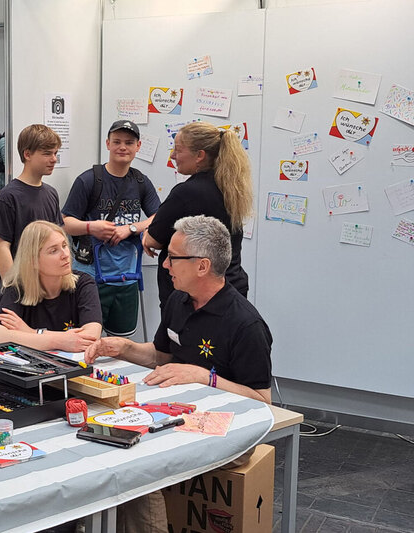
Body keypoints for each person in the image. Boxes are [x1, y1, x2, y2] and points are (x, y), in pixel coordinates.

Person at [85, 215, 272, 533]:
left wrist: (205, 377)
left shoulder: (246, 325)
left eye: (172, 257)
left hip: (230, 432)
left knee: (139, 466)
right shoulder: (179, 300)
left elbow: (262, 400)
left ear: (202, 266)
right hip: (177, 413)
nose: (165, 265)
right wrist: (124, 348)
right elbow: (163, 356)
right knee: (112, 439)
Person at [62, 120, 160, 336]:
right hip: (89, 277)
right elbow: (65, 223)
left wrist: (132, 228)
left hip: (127, 279)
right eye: (117, 142)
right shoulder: (88, 180)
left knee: (120, 344)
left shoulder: (141, 182)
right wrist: (91, 227)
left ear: (138, 146)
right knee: (85, 341)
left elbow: (159, 217)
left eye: (129, 142)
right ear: (107, 144)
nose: (122, 147)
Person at [143, 122, 252, 306]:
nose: (173, 155)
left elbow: (153, 240)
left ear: (200, 155)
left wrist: (146, 233)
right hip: (231, 289)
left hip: (194, 297)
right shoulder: (230, 188)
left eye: (178, 150)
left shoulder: (186, 193)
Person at [0, 221, 102, 352]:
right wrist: (60, 341)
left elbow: (90, 337)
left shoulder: (83, 283)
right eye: (54, 251)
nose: (65, 255)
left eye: (64, 245)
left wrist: (31, 332)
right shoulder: (17, 288)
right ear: (33, 260)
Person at [0, 124, 63, 304]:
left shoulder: (51, 194)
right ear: (27, 154)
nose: (53, 159)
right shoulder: (9, 196)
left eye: (55, 153)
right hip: (22, 290)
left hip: (46, 287)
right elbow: (2, 246)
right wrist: (14, 289)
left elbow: (58, 240)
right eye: (47, 154)